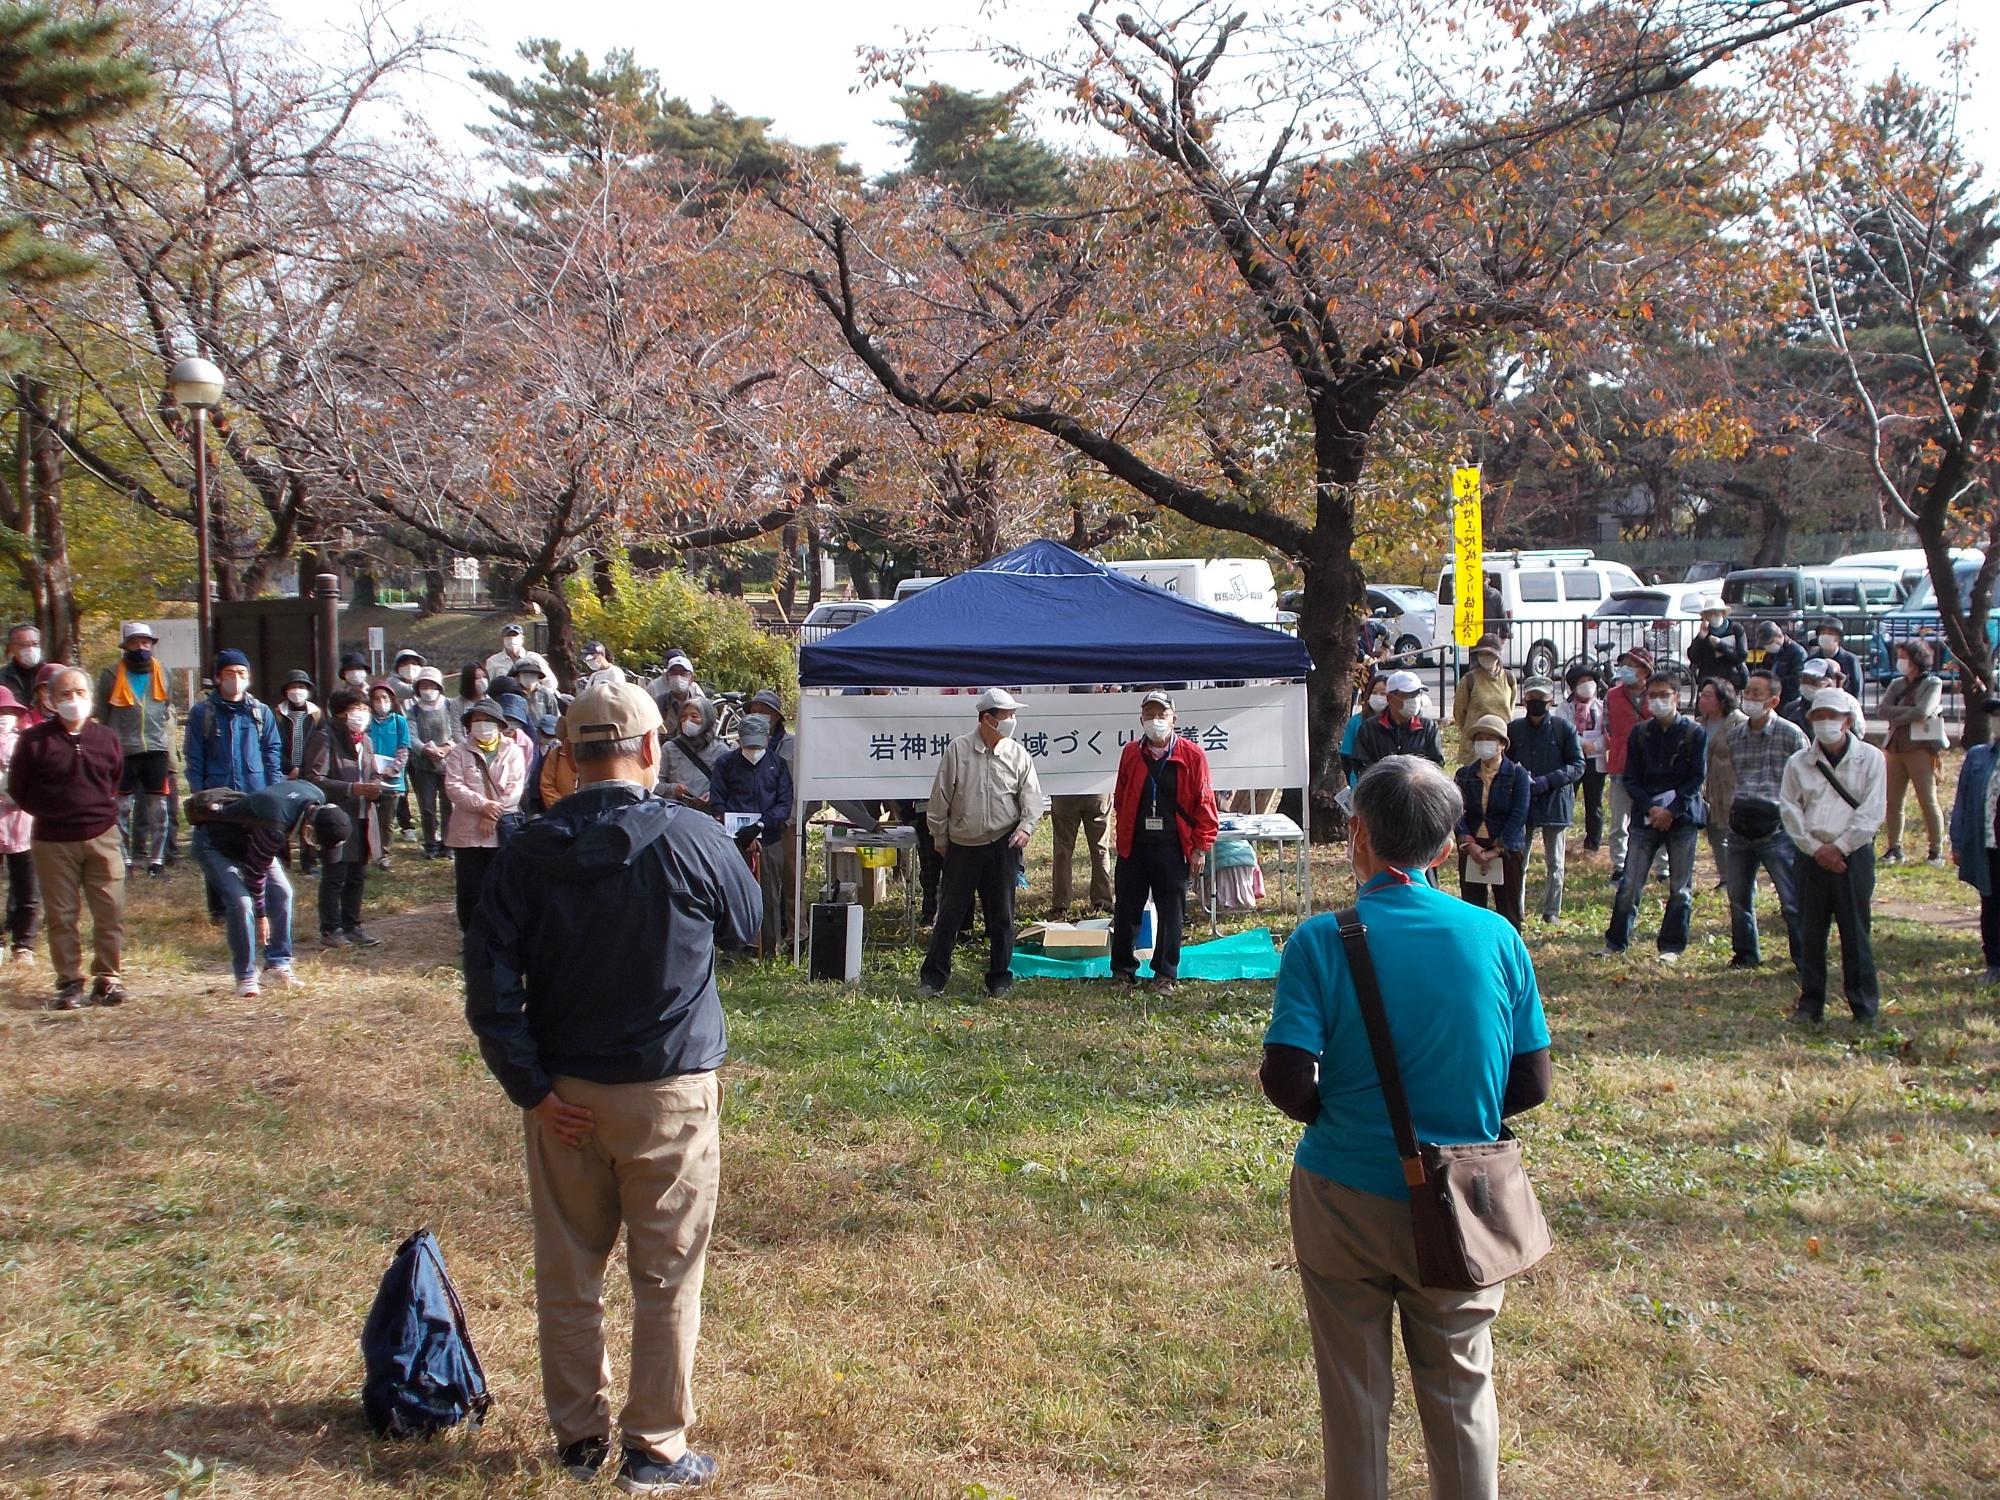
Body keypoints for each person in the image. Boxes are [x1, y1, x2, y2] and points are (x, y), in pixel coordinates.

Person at [463, 679, 760, 1493]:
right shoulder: (694, 839)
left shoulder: (525, 852)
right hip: (670, 1094)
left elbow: (490, 988)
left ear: (564, 758)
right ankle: (656, 1447)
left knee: (568, 1272)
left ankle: (577, 1436)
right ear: (653, 748)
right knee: (666, 1277)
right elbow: (750, 925)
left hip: (566, 1097)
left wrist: (529, 1087)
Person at [1259, 754, 1549, 1500]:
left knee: (1354, 1395)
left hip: (1343, 1194)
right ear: (1447, 848)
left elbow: (1287, 1080)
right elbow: (1531, 1082)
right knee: (1460, 1389)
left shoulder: (1322, 940)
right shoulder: (1497, 938)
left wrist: (1347, 1118)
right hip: (1464, 1200)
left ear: (1357, 835)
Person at [9, 667, 125, 1008]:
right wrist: (52, 812)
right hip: (52, 840)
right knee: (62, 915)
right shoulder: (34, 741)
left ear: (91, 697)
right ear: (50, 699)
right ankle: (70, 982)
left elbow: (115, 780)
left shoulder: (107, 738)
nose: (73, 700)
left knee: (110, 911)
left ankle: (108, 978)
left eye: (79, 693)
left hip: (103, 835)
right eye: (65, 695)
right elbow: (20, 789)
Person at [919, 688, 1045, 1000]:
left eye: (1014, 715)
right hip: (962, 845)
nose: (1012, 721)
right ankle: (933, 978)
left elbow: (1033, 800)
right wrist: (940, 836)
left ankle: (1000, 978)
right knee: (949, 914)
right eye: (1007, 716)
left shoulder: (1018, 754)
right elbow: (939, 799)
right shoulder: (958, 750)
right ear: (987, 719)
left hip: (1002, 845)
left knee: (1001, 916)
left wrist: (1026, 828)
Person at [1781, 687, 1886, 1024]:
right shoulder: (1799, 762)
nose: (1825, 723)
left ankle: (1863, 1005)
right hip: (1811, 856)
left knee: (1855, 932)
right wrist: (1816, 849)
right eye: (1819, 717)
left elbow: (1872, 812)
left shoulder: (1871, 758)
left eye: (1832, 716)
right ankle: (1810, 1004)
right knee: (1811, 933)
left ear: (1847, 721)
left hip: (1852, 856)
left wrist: (1840, 848)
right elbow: (1790, 809)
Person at [192, 780, 349, 998]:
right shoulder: (274, 824)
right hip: (214, 844)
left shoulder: (315, 797)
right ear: (310, 829)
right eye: (315, 841)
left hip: (251, 842)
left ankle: (277, 965)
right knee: (242, 903)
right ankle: (245, 975)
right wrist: (261, 915)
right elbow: (255, 875)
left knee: (284, 892)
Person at [1109, 691, 1218, 991]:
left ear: (1174, 718)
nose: (1155, 720)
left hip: (1173, 845)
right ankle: (1122, 970)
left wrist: (1200, 847)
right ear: (1141, 719)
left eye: (1162, 714)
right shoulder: (1131, 753)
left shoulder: (1192, 755)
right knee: (1127, 909)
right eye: (1150, 714)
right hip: (1135, 843)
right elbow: (1121, 795)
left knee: (1172, 912)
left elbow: (1205, 803)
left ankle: (1165, 974)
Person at [1601, 670, 1706, 963]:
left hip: (1682, 818)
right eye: (1653, 695)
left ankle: (1672, 946)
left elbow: (1696, 779)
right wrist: (1651, 808)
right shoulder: (1640, 733)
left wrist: (1671, 811)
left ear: (1677, 697)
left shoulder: (1694, 733)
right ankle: (1616, 941)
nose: (1657, 700)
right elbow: (1631, 778)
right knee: (1630, 883)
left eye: (1664, 695)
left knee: (1680, 887)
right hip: (1645, 817)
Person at [1720, 670, 1808, 972]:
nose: (1750, 698)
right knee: (1739, 895)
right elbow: (1734, 776)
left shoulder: (1791, 734)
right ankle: (1745, 954)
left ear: (1774, 699)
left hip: (1777, 827)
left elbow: (1806, 780)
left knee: (1791, 899)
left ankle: (1804, 959)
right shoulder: (1734, 736)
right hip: (1741, 824)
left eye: (1758, 693)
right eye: (1749, 692)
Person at [707, 709, 794, 956]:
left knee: (769, 894)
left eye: (757, 743)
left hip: (769, 839)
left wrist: (761, 826)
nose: (753, 750)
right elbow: (718, 800)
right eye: (748, 744)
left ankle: (769, 949)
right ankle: (733, 949)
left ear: (767, 738)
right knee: (732, 893)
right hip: (734, 841)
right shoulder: (726, 764)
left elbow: (783, 804)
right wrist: (733, 828)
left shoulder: (778, 766)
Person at [304, 687, 384, 949]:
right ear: (339, 714)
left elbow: (372, 774)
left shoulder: (367, 742)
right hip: (336, 819)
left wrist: (376, 788)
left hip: (363, 816)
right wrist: (351, 789)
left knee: (357, 876)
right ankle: (331, 929)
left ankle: (354, 925)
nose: (361, 714)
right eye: (354, 709)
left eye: (364, 709)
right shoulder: (325, 738)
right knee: (335, 875)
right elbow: (315, 779)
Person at [443, 697, 529, 934]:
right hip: (467, 831)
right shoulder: (459, 752)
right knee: (469, 887)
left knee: (502, 884)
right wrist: (483, 806)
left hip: (502, 828)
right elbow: (454, 787)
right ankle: (470, 934)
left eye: (487, 721)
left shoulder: (513, 751)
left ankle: (501, 933)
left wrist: (492, 814)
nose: (482, 725)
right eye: (477, 721)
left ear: (500, 725)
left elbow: (515, 787)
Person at [97, 620, 176, 877]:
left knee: (159, 807)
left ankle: (157, 860)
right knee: (122, 807)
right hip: (123, 748)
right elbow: (103, 711)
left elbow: (167, 707)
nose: (141, 647)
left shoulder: (163, 671)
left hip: (155, 748)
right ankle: (125, 859)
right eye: (135, 642)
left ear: (152, 645)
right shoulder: (111, 674)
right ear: (126, 646)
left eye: (145, 642)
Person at [1508, 677, 1585, 923]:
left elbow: (1578, 765)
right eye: (1531, 698)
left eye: (1541, 699)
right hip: (1524, 801)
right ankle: (1515, 910)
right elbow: (1505, 763)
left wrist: (1549, 780)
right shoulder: (1514, 729)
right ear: (1524, 699)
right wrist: (1521, 779)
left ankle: (1552, 911)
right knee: (1520, 860)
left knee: (1555, 861)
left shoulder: (1564, 729)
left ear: (1551, 700)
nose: (1536, 702)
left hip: (1555, 800)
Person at [1454, 714, 1532, 931]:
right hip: (1472, 847)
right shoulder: (1464, 775)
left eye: (1490, 738)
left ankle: (1510, 953)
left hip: (1506, 850)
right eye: (1480, 738)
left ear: (1501, 745)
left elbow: (1519, 815)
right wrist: (1470, 845)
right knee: (1472, 910)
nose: (1484, 743)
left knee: (1509, 911)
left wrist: (1496, 849)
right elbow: (1457, 812)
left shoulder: (1518, 775)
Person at [1877, 639, 1950, 867]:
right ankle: (1894, 847)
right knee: (1893, 801)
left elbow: (1923, 711)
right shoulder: (1897, 684)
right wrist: (1905, 714)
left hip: (1920, 747)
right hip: (1895, 746)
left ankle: (1935, 850)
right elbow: (1882, 710)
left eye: (1904, 656)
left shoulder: (1932, 683)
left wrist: (1897, 715)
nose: (1900, 661)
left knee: (1927, 800)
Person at [1948, 694, 2000, 986]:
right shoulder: (1979, 756)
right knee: (1991, 903)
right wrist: (1958, 841)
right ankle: (1994, 962)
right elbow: (1964, 800)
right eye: (1995, 715)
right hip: (1988, 842)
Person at [183, 649, 282, 795]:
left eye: (241, 673)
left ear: (248, 676)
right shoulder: (202, 712)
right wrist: (198, 792)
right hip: (217, 791)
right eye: (230, 673)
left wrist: (275, 789)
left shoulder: (261, 711)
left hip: (256, 791)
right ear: (218, 678)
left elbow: (272, 752)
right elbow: (194, 755)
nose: (236, 678)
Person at [1601, 646, 1652, 881]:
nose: (1626, 670)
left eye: (1632, 666)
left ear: (1644, 671)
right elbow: (1608, 726)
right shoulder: (1612, 695)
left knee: (1653, 817)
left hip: (1652, 766)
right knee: (1619, 820)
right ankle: (1620, 865)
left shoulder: (1656, 694)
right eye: (1625, 665)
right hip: (1621, 764)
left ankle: (1661, 868)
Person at [0, 687, 40, 965]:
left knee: (27, 887)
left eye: (8, 712)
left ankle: (24, 943)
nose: (3, 718)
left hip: (23, 823)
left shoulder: (25, 743)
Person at [1696, 678, 1746, 883]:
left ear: (1722, 699)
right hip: (1707, 789)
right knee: (1716, 837)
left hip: (1731, 789)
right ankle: (1726, 878)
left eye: (1708, 695)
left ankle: (1738, 878)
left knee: (1731, 836)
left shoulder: (1739, 723)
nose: (1701, 699)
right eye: (1701, 694)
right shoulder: (1700, 724)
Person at [1557, 665, 1609, 851]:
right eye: (1581, 682)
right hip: (1573, 758)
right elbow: (1563, 730)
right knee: (1567, 798)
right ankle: (1561, 841)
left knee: (1594, 802)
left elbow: (1608, 730)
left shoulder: (1602, 706)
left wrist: (1597, 746)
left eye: (1590, 681)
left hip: (1596, 758)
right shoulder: (1565, 708)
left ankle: (1593, 843)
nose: (1587, 685)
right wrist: (1580, 743)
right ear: (1573, 687)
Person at [1351, 670, 1444, 772]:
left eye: (1417, 694)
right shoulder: (1369, 728)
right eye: (1407, 694)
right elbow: (1361, 765)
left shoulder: (1428, 728)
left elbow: (1436, 765)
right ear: (1390, 698)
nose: (1414, 699)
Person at [365, 681, 412, 870]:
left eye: (384, 698)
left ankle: (383, 854)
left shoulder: (400, 721)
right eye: (376, 699)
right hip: (369, 777)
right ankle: (367, 852)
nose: (380, 702)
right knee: (368, 817)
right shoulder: (366, 721)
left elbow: (404, 748)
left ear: (392, 700)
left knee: (386, 820)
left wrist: (393, 769)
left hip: (392, 780)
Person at [407, 667, 454, 859]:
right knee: (427, 806)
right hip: (423, 765)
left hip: (449, 763)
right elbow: (411, 735)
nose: (428, 689)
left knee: (448, 805)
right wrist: (426, 750)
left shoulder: (450, 706)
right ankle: (430, 843)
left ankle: (448, 843)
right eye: (424, 686)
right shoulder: (414, 710)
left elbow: (458, 731)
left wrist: (447, 748)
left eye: (431, 685)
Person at [1048, 792, 1114, 920]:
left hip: (1065, 792)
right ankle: (1103, 901)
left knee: (1063, 851)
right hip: (1097, 792)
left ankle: (1060, 905)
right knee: (1100, 848)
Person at [1451, 635, 1516, 764]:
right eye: (1481, 653)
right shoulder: (1469, 680)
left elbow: (1511, 707)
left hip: (1501, 742)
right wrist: (1475, 732)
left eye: (1489, 654)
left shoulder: (1509, 678)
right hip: (1475, 744)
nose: (1485, 657)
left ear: (1498, 655)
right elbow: (1459, 713)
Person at [658, 695, 720, 809]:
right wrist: (673, 789)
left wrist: (713, 796)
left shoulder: (721, 751)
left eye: (694, 716)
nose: (688, 721)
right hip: (674, 811)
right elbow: (655, 785)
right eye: (683, 716)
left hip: (707, 815)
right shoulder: (670, 748)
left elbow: (729, 786)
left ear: (707, 719)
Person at [1341, 673, 1391, 785]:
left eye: (1383, 693)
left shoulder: (1395, 722)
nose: (1378, 696)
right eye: (1374, 692)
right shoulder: (1355, 722)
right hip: (1361, 783)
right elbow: (1346, 756)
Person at [1686, 602, 1748, 689]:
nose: (1713, 616)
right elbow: (1693, 656)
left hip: (1731, 679)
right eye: (1709, 614)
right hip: (1708, 679)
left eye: (1716, 613)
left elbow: (1742, 655)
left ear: (1723, 613)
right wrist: (1700, 637)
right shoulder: (1705, 631)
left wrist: (1720, 645)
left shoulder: (1736, 629)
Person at [1748, 620, 1805, 707]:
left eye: (1769, 642)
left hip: (1788, 698)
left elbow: (1797, 679)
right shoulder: (1770, 654)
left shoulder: (1797, 652)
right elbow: (1765, 670)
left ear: (1779, 636)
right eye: (1764, 644)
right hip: (1772, 696)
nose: (1767, 646)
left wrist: (1774, 683)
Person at [275, 671, 321, 778]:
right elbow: (273, 745)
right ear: (286, 691)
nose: (297, 691)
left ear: (308, 691)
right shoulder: (277, 714)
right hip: (284, 773)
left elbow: (320, 746)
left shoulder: (317, 714)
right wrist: (289, 768)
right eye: (293, 687)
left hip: (310, 772)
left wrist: (309, 768)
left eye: (301, 687)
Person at [484, 623, 553, 691]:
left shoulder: (535, 658)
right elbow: (488, 686)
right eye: (508, 637)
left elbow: (550, 682)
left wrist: (544, 696)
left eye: (515, 636)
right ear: (503, 640)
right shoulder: (493, 661)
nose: (512, 639)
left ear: (522, 639)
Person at [1808, 618, 1863, 693]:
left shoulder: (1850, 659)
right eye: (1823, 633)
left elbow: (1856, 687)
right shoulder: (1812, 660)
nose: (1825, 636)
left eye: (1830, 633)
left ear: (1839, 638)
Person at [0, 621, 44, 704]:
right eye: (24, 645)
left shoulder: (51, 674)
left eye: (35, 644)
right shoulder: (2, 677)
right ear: (12, 647)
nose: (31, 649)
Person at [651, 650, 700, 722]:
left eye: (683, 674)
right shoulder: (658, 703)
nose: (678, 677)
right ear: (667, 677)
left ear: (692, 679)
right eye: (674, 673)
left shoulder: (701, 704)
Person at [453, 663, 491, 736]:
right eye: (477, 678)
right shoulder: (457, 703)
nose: (482, 681)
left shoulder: (491, 702)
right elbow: (457, 733)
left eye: (484, 676)